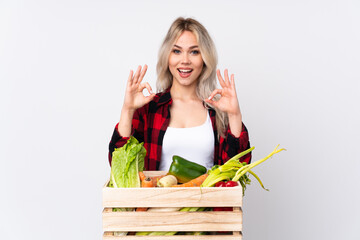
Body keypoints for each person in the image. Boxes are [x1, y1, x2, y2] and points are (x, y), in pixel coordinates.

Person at [108, 17, 251, 171]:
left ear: (204, 58)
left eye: (194, 52)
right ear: (167, 56)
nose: (185, 60)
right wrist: (127, 110)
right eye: (177, 51)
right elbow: (121, 167)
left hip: (209, 196)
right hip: (159, 195)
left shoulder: (217, 110)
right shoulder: (150, 108)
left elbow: (237, 171)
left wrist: (235, 115)